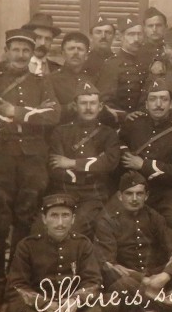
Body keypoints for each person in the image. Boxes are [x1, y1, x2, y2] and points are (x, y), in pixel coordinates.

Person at [0, 29, 61, 310]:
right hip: (0, 158)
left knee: (25, 220)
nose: (21, 55)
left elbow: (53, 115)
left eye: (26, 50)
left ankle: (17, 282)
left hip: (33, 160)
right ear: (7, 50)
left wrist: (16, 112)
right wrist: (29, 118)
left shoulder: (42, 82)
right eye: (16, 49)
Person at [93, 171, 172, 312]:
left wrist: (166, 275)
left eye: (139, 194)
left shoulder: (153, 216)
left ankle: (154, 311)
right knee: (123, 284)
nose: (134, 199)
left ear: (146, 196)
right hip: (131, 281)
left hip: (157, 278)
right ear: (120, 196)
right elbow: (107, 264)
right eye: (129, 194)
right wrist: (144, 280)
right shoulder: (107, 220)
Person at [5, 193, 107, 312]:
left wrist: (75, 301)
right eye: (54, 216)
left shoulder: (83, 244)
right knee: (13, 310)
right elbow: (16, 286)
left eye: (65, 216)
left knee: (109, 302)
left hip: (72, 310)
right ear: (44, 219)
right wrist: (43, 303)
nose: (60, 223)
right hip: (41, 311)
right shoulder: (27, 246)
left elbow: (93, 281)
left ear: (73, 219)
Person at [119, 78, 172, 241]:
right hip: (134, 187)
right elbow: (119, 143)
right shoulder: (134, 124)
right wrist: (126, 155)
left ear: (171, 104)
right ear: (146, 104)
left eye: (164, 99)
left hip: (167, 192)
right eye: (153, 99)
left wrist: (143, 165)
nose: (158, 104)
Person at [47, 80, 121, 239]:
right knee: (44, 230)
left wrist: (72, 163)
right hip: (64, 192)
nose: (88, 108)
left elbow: (110, 163)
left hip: (93, 195)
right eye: (84, 103)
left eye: (93, 103)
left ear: (100, 107)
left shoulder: (108, 134)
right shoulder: (60, 132)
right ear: (75, 106)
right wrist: (94, 164)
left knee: (75, 229)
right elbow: (56, 167)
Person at [97, 14, 148, 123]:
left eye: (139, 34)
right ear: (120, 36)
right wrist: (126, 116)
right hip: (121, 123)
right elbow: (105, 101)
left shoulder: (146, 62)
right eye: (131, 34)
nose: (136, 39)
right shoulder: (112, 65)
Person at [47, 31, 98, 124]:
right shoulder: (51, 79)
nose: (75, 53)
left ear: (86, 55)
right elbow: (50, 111)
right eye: (71, 49)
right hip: (62, 132)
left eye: (80, 49)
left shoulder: (94, 78)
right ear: (63, 53)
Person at [138, 6, 168, 73]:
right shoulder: (138, 51)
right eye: (150, 26)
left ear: (166, 27)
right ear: (144, 29)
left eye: (158, 25)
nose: (154, 30)